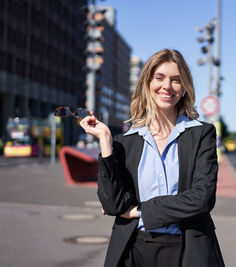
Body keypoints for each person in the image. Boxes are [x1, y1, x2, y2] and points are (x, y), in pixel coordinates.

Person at [79, 49, 225, 267]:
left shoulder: (201, 134)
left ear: (184, 87)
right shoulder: (125, 141)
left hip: (188, 250)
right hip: (133, 250)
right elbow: (112, 204)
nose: (167, 86)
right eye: (159, 78)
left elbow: (201, 198)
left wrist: (139, 211)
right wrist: (105, 140)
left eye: (176, 80)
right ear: (147, 83)